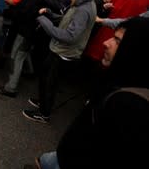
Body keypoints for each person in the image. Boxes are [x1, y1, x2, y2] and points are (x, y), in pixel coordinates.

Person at [28, 17, 149, 169]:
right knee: (44, 160)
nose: (106, 43)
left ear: (135, 51)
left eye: (117, 41)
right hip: (64, 155)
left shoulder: (128, 104)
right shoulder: (117, 83)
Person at [22, 0, 98, 123]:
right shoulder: (81, 3)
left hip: (63, 53)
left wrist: (45, 22)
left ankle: (44, 114)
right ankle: (43, 101)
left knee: (50, 83)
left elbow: (70, 36)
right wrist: (51, 14)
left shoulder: (84, 9)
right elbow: (66, 20)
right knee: (46, 80)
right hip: (58, 50)